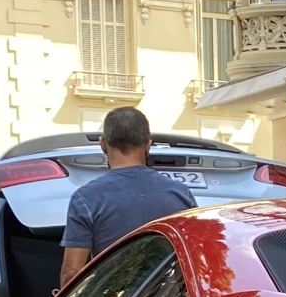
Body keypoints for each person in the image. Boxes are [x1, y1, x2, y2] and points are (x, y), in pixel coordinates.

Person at [61, 107, 195, 286]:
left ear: (103, 144)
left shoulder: (85, 199)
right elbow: (196, 262)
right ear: (148, 145)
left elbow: (72, 274)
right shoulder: (181, 194)